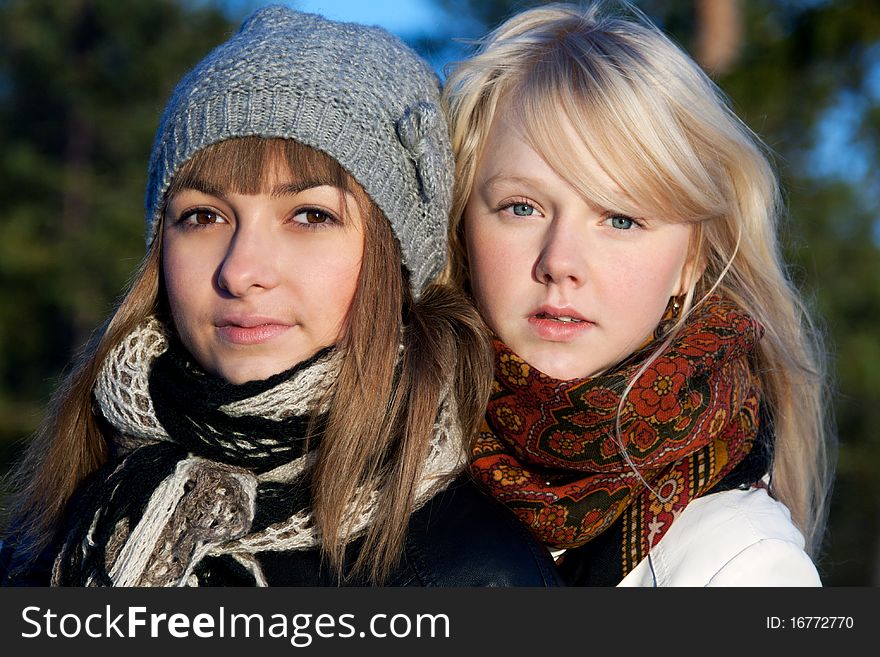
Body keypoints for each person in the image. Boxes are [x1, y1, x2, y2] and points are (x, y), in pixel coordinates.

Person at [0, 6, 562, 587]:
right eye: (204, 216)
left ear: (397, 261)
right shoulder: (53, 535)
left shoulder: (476, 573)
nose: (241, 271)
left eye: (310, 215)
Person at [442, 1, 834, 585]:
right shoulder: (373, 471)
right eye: (521, 207)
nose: (560, 263)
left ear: (691, 262)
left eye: (621, 218)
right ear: (462, 228)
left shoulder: (744, 566)